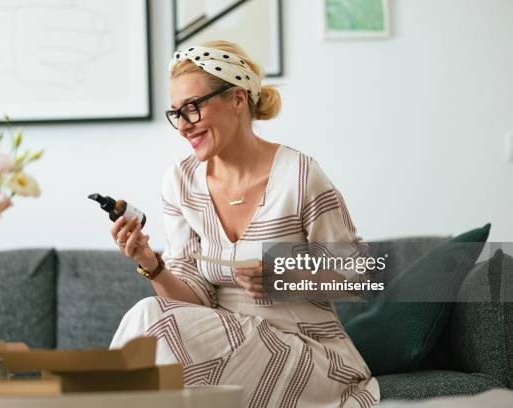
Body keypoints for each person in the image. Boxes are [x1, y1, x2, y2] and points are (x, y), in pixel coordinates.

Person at [109, 40, 380, 408]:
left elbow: (361, 273)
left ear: (237, 99)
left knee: (146, 322)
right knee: (148, 316)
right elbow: (196, 301)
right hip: (227, 347)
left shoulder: (300, 175)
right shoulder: (181, 181)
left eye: (192, 108)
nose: (184, 126)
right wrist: (150, 263)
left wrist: (283, 273)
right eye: (176, 113)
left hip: (308, 354)